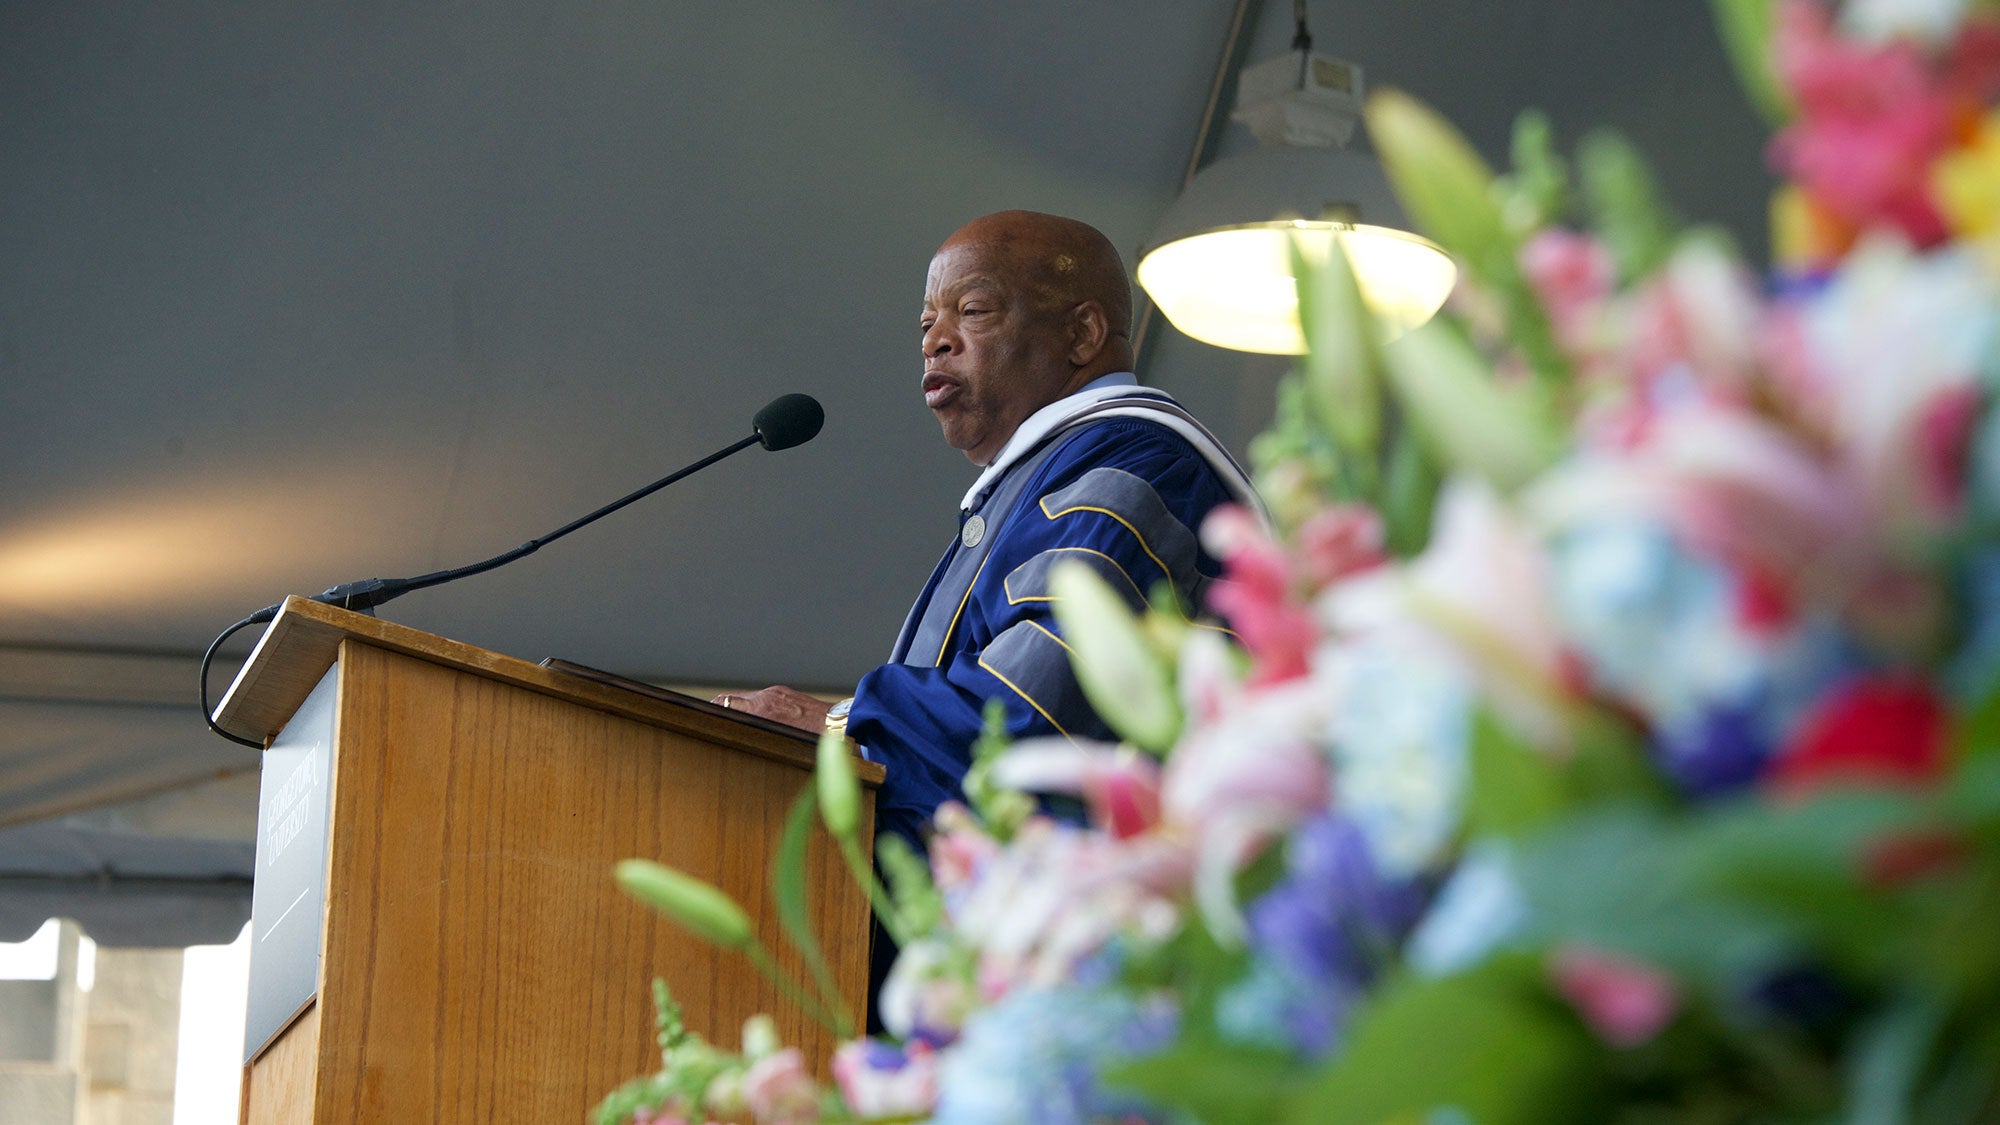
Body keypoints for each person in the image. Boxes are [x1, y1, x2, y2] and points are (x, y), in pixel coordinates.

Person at [717, 209, 1260, 852]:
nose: (934, 341)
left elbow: (1027, 718)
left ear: (1082, 333)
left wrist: (843, 726)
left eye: (970, 311)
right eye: (926, 323)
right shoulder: (1045, 476)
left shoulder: (1133, 463)